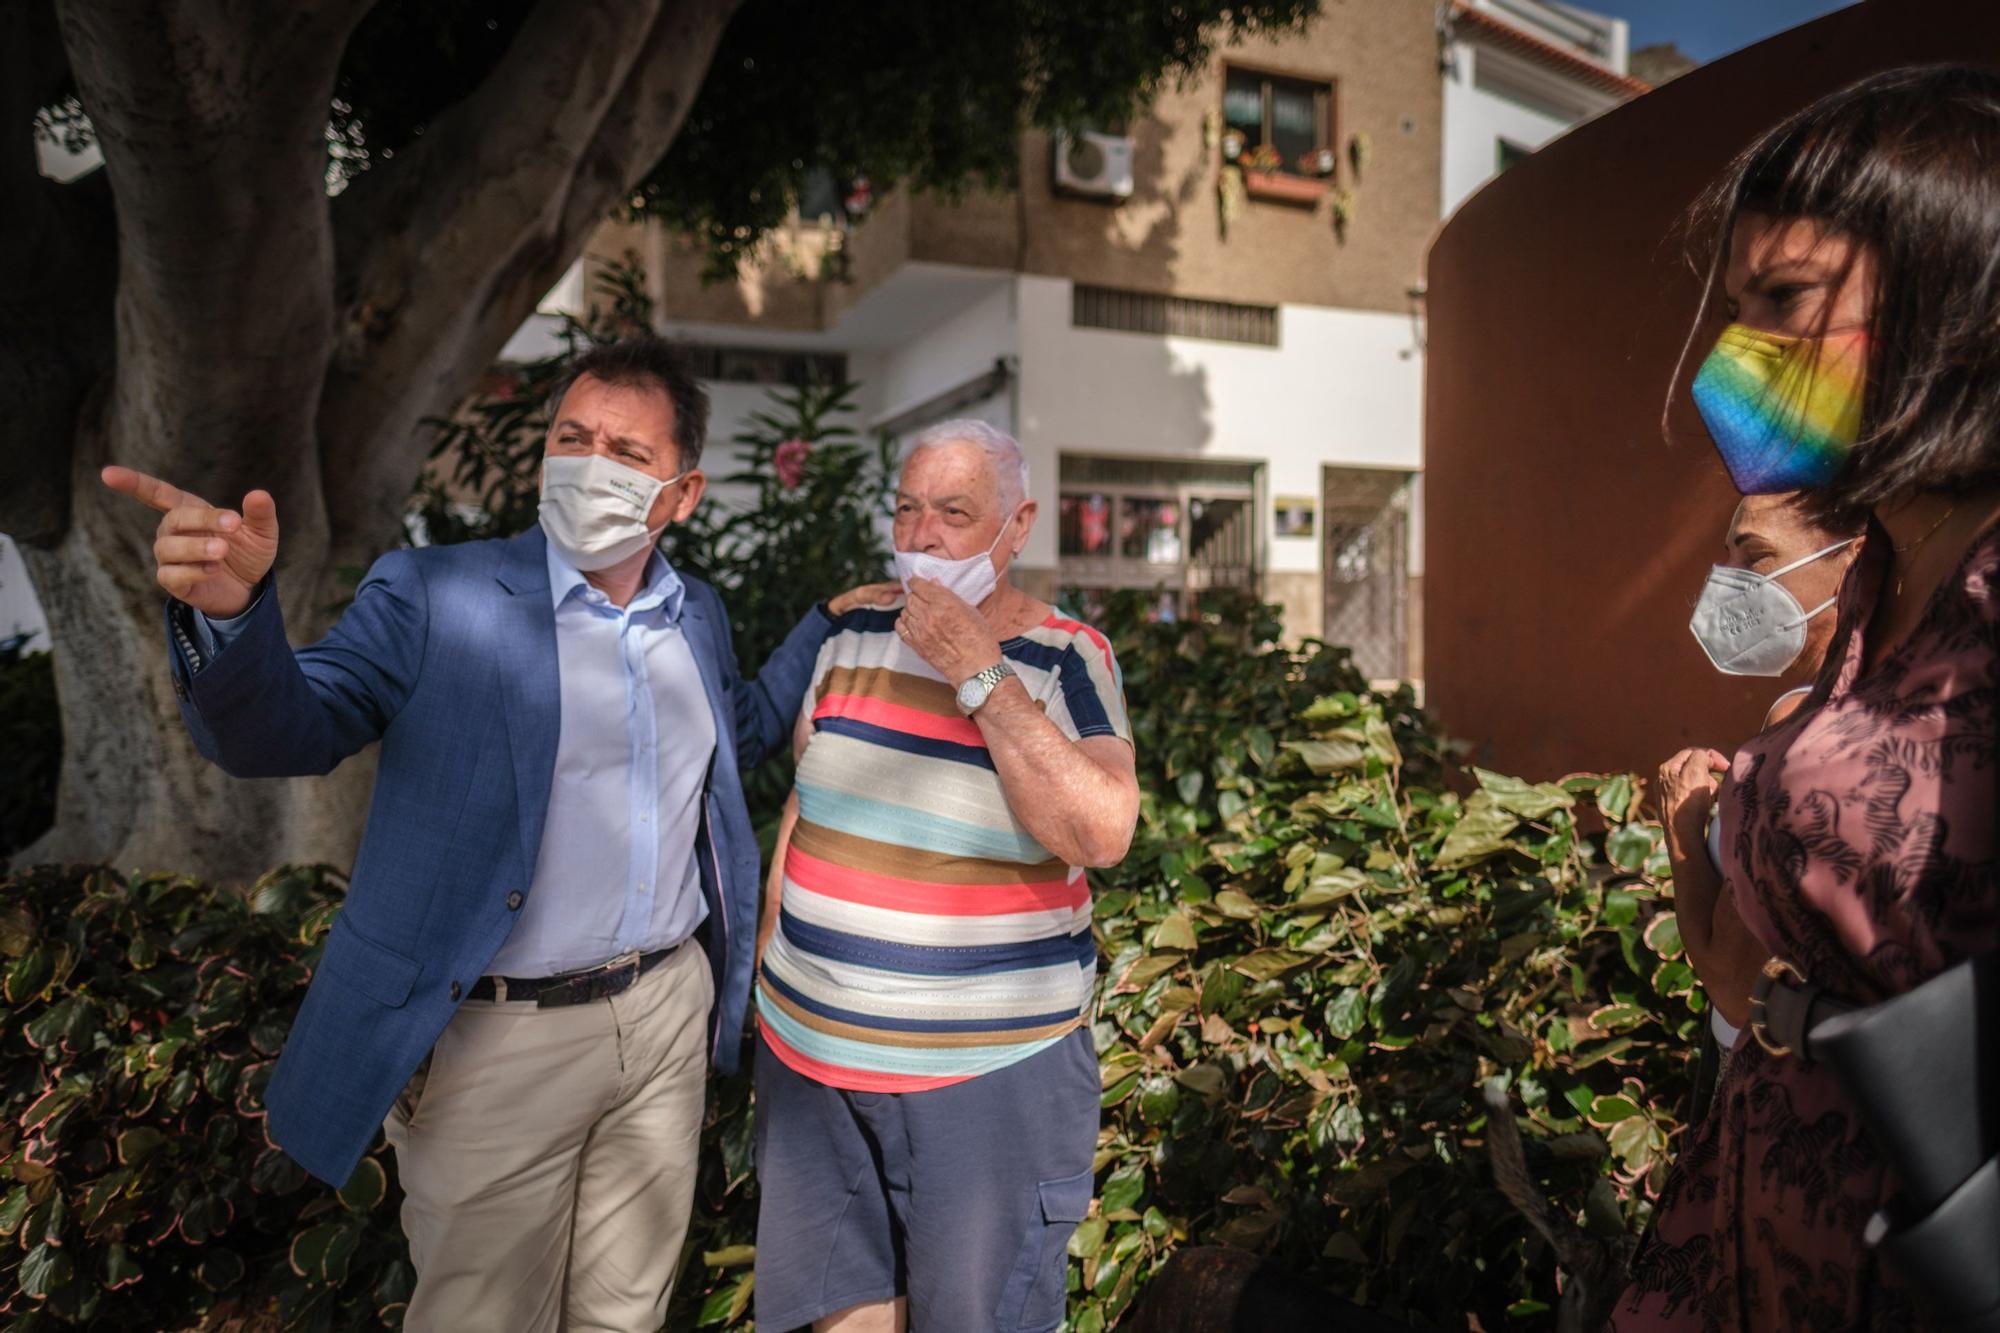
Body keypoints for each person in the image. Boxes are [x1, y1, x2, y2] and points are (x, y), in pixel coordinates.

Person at [102, 338, 897, 1332]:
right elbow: (291, 729)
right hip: (497, 1038)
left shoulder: (694, 614)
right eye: (573, 437)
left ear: (682, 494)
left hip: (662, 1016)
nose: (590, 464)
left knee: (625, 1314)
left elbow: (727, 731)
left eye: (626, 451)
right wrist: (235, 622)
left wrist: (820, 625)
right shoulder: (435, 593)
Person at [1616, 65, 2000, 1329]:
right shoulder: (1878, 584)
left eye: (1785, 302)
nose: (1736, 359)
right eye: (1735, 311)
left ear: (1958, 296)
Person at [750, 419, 1141, 1333]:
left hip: (985, 1082)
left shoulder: (1067, 656)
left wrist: (976, 668)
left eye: (954, 514)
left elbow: (1100, 828)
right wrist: (769, 976)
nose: (922, 536)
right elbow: (808, 807)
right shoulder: (848, 637)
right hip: (813, 1064)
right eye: (908, 510)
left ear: (1018, 526)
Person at [1660, 492, 1858, 1115]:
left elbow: (1733, 985)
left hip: (1761, 1090)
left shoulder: (1802, 722)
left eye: (1758, 554)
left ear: (1852, 559)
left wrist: (1683, 829)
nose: (1730, 581)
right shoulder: (1874, 707)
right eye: (1728, 555)